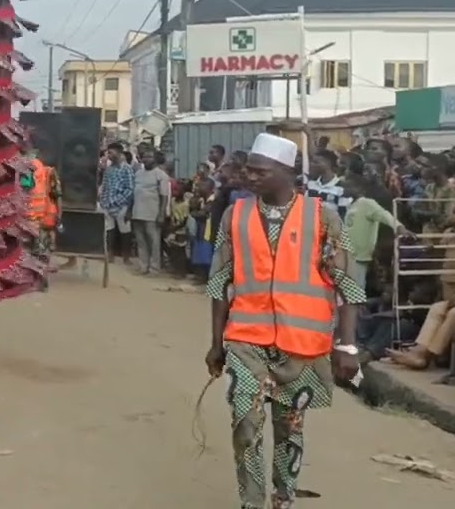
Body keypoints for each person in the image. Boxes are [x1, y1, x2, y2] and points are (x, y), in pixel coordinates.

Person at [204, 134, 363, 509]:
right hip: (246, 341)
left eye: (259, 171)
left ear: (286, 172)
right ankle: (252, 502)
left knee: (289, 428)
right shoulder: (235, 214)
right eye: (248, 170)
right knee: (245, 423)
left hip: (302, 346)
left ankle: (283, 497)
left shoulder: (323, 216)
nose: (250, 177)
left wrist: (348, 345)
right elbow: (218, 283)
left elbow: (349, 286)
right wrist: (215, 344)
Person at [340, 175, 412, 289]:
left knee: (356, 288)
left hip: (359, 255)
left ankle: (358, 306)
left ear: (359, 188)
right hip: (348, 253)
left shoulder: (367, 203)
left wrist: (398, 227)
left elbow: (384, 215)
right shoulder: (350, 204)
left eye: (348, 186)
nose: (344, 189)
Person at [131, 148, 171, 275]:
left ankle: (154, 268)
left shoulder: (161, 175)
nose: (146, 159)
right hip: (137, 211)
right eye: (144, 157)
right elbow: (133, 193)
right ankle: (143, 266)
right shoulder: (138, 173)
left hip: (152, 213)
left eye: (149, 157)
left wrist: (161, 214)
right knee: (141, 241)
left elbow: (164, 196)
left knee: (153, 242)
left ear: (155, 159)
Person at [100, 142, 134, 261]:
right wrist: (103, 201)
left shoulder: (127, 169)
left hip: (121, 205)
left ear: (119, 153)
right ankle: (110, 254)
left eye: (111, 152)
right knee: (109, 230)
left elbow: (130, 189)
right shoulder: (109, 169)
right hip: (107, 205)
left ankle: (126, 256)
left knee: (125, 231)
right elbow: (104, 186)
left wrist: (118, 202)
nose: (108, 155)